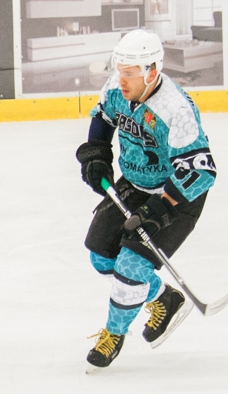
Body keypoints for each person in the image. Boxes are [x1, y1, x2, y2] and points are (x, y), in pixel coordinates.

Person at [75, 30, 216, 368]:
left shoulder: (176, 110)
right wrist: (96, 153)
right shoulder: (116, 88)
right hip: (136, 183)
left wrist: (158, 207)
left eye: (129, 72)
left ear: (151, 71)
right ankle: (164, 297)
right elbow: (104, 118)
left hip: (177, 195)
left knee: (131, 266)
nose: (120, 79)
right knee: (101, 256)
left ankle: (114, 333)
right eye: (119, 69)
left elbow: (201, 173)